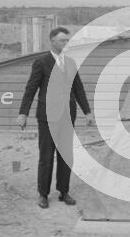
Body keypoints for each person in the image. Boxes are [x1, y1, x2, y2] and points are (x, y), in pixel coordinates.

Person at [17, 27, 95, 208]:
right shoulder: (41, 62)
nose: (66, 43)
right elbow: (31, 89)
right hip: (47, 117)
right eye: (62, 40)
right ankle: (43, 194)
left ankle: (63, 191)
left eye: (67, 40)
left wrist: (87, 112)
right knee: (46, 156)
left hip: (68, 116)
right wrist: (23, 113)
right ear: (52, 41)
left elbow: (78, 89)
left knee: (66, 155)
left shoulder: (70, 62)